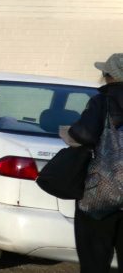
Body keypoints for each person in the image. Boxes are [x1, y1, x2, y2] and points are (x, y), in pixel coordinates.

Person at [64, 53, 123, 273]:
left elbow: (83, 135)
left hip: (100, 194)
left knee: (94, 263)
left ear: (109, 76)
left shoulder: (102, 101)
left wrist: (70, 132)